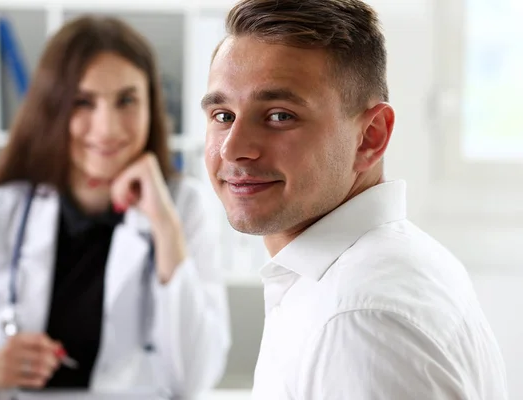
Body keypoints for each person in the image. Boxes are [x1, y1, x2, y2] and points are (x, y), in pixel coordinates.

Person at [202, 0, 508, 399]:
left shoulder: (358, 318)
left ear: (371, 136)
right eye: (223, 115)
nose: (233, 150)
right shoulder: (371, 271)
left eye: (279, 115)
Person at [0, 15, 230, 397]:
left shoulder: (183, 208)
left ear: (152, 105)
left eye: (127, 100)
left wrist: (165, 226)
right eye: (84, 102)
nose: (107, 128)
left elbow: (197, 378)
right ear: (53, 108)